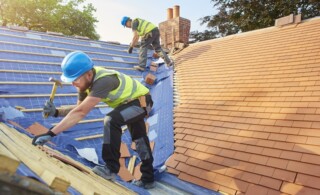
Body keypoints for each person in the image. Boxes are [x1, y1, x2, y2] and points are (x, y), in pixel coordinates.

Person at [32, 51, 155, 189]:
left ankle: (110, 169)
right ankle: (148, 178)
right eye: (71, 80)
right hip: (129, 104)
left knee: (111, 120)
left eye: (75, 79)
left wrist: (50, 133)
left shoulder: (103, 81)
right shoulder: (84, 83)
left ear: (89, 74)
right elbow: (79, 109)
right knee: (139, 139)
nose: (73, 84)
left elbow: (80, 113)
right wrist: (56, 112)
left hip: (143, 102)